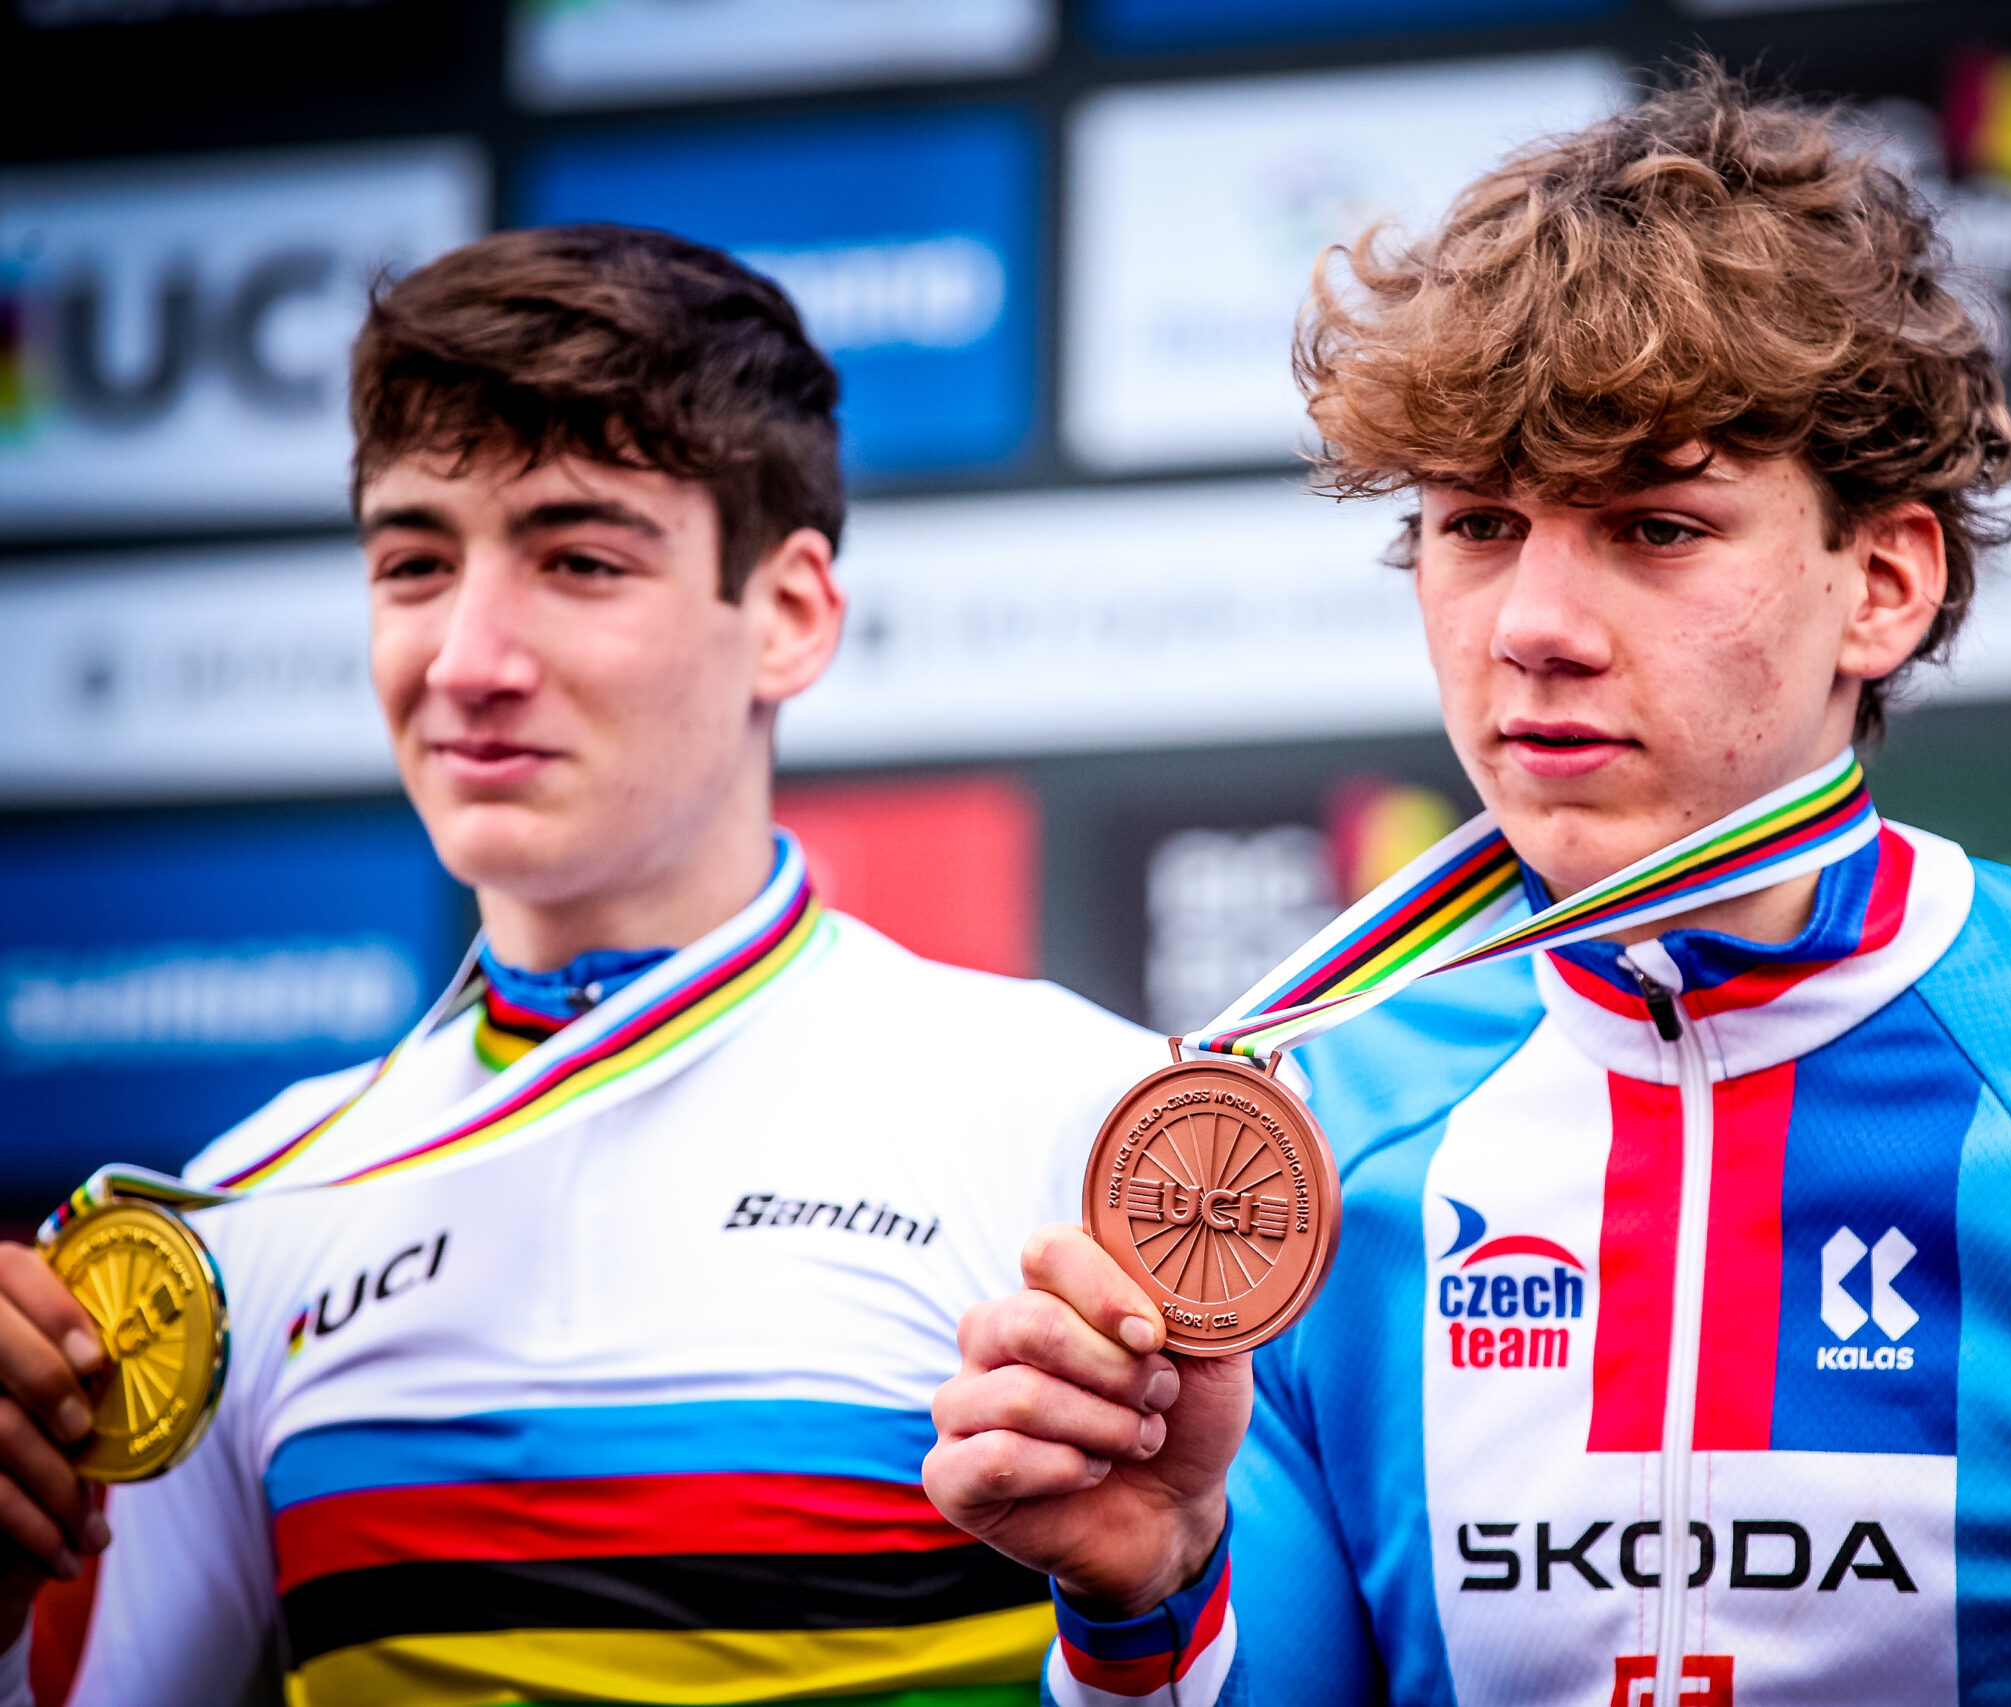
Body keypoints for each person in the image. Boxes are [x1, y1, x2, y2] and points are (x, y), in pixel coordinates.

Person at [922, 64, 2011, 1705]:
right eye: (1477, 525)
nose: (1530, 627)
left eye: (1654, 527)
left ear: (1885, 583)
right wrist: (1148, 1605)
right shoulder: (1313, 1146)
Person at [0, 225, 1162, 1707]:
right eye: (415, 563)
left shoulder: (1075, 1117)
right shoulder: (243, 1213)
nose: (467, 658)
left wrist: (1140, 1615)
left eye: (579, 561)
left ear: (790, 616)